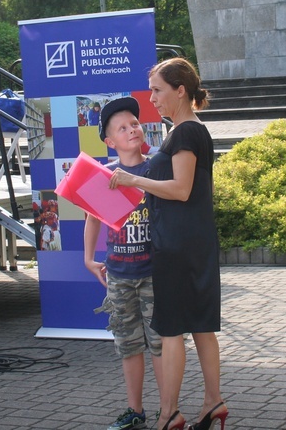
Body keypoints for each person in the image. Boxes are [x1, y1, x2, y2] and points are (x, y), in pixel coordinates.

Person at [109, 58, 229, 430]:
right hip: (192, 242)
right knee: (202, 326)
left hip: (178, 246)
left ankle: (168, 414)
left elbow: (180, 189)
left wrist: (134, 181)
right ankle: (212, 403)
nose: (153, 98)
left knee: (174, 329)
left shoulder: (185, 132)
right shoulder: (190, 130)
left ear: (181, 91)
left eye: (158, 90)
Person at [84, 97, 163, 430]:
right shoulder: (104, 176)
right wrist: (88, 259)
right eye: (122, 127)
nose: (132, 129)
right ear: (109, 141)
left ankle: (168, 409)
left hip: (155, 274)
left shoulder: (156, 168)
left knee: (161, 344)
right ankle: (135, 410)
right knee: (129, 346)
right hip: (118, 274)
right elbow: (93, 219)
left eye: (134, 123)